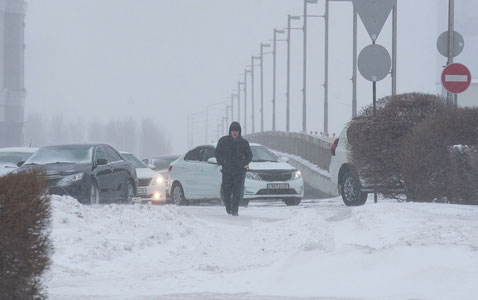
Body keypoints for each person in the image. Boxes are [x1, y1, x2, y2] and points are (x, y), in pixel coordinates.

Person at [215, 121, 252, 216]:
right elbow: (217, 154)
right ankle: (228, 206)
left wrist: (243, 164)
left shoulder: (244, 143)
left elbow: (249, 156)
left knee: (237, 191)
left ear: (239, 132)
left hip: (239, 172)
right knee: (226, 190)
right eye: (233, 130)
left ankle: (235, 209)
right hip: (227, 171)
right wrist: (223, 162)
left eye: (236, 131)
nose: (234, 132)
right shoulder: (223, 141)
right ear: (230, 131)